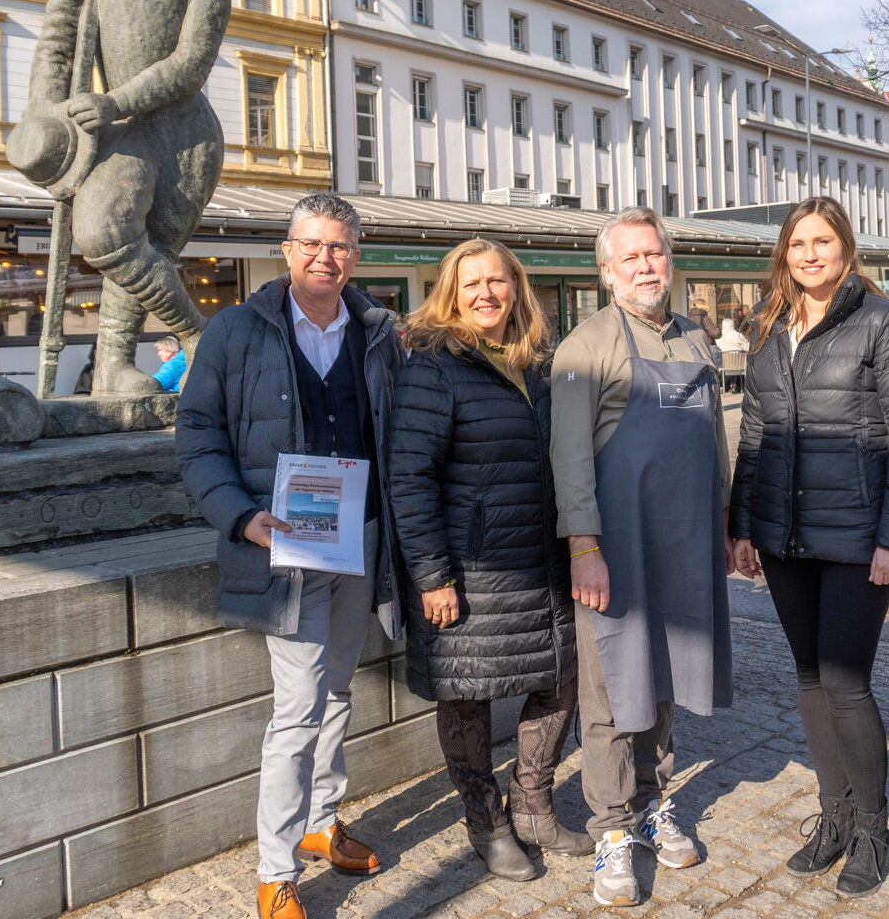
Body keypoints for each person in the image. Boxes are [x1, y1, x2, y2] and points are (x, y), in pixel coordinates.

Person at [175, 194, 406, 919]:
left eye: (338, 247)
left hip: (360, 532)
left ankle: (320, 821)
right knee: (299, 704)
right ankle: (275, 869)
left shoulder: (379, 331)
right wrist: (240, 518)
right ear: (287, 250)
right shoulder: (234, 330)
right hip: (286, 538)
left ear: (355, 256)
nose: (324, 259)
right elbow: (196, 433)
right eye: (311, 244)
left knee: (338, 687)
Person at [729, 197, 889, 899]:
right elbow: (753, 435)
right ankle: (835, 816)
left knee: (847, 682)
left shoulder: (883, 322)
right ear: (783, 254)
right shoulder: (767, 325)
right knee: (811, 678)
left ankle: (874, 829)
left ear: (846, 249)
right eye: (798, 244)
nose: (810, 254)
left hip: (856, 537)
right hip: (784, 535)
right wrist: (742, 525)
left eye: (823, 242)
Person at [388, 239, 590, 882]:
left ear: (516, 288)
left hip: (542, 561)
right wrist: (432, 575)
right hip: (471, 569)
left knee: (560, 679)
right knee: (468, 697)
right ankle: (486, 819)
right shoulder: (434, 366)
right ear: (450, 292)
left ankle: (532, 804)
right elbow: (409, 477)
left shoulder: (542, 363)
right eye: (470, 283)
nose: (485, 294)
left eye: (497, 281)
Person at [550, 207, 733, 908]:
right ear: (607, 271)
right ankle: (611, 830)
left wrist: (723, 521)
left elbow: (714, 439)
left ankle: (655, 803)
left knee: (665, 679)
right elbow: (568, 459)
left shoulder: (697, 338)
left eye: (654, 254)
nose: (646, 267)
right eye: (630, 259)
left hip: (686, 543)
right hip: (615, 545)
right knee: (609, 694)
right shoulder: (583, 347)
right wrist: (585, 549)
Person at [15, 0, 230, 394]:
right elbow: (57, 44)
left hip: (188, 138)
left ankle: (112, 366)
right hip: (122, 130)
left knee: (151, 252)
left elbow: (188, 67)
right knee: (105, 233)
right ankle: (195, 333)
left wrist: (113, 102)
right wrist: (45, 117)